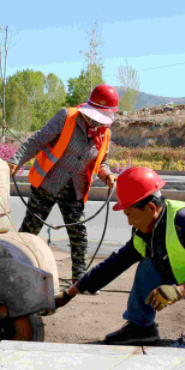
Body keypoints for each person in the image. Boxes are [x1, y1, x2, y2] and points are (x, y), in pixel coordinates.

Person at [53, 167, 185, 355]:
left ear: (151, 208)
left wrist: (180, 290)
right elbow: (114, 264)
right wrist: (70, 293)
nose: (129, 221)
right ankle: (141, 329)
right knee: (148, 264)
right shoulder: (147, 231)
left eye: (130, 214)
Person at [7, 84, 119, 283]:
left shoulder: (104, 133)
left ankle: (80, 279)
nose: (96, 122)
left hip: (75, 188)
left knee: (79, 235)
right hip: (47, 183)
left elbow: (102, 162)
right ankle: (15, 271)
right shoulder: (66, 117)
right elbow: (37, 141)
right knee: (30, 230)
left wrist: (108, 175)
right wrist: (16, 160)